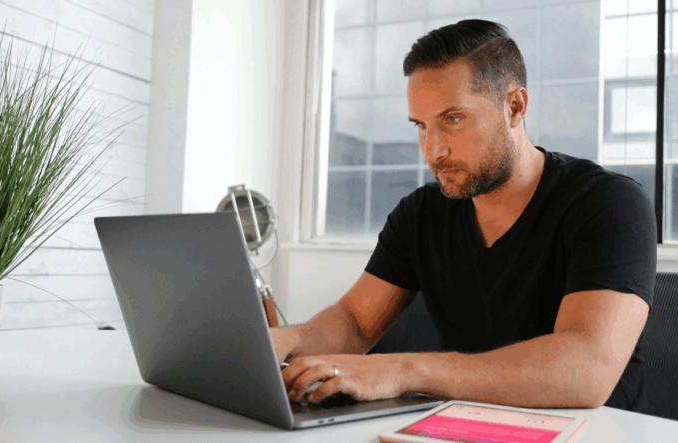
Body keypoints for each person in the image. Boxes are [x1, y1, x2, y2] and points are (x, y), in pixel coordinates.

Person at [271, 19, 656, 412]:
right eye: (421, 125)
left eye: (453, 119)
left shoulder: (608, 203)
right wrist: (284, 341)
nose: (433, 150)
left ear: (514, 107)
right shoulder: (420, 214)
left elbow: (585, 371)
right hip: (465, 425)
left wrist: (402, 370)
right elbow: (354, 322)